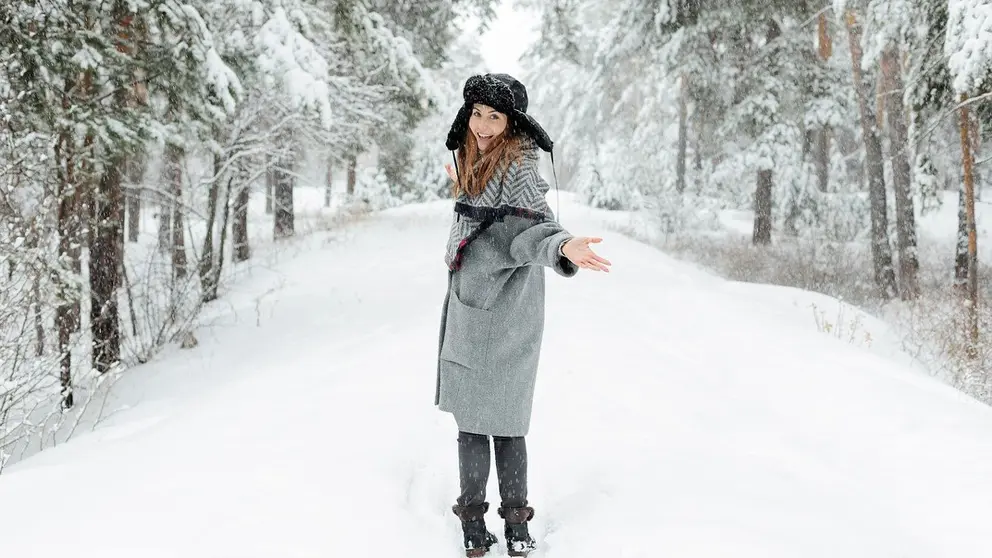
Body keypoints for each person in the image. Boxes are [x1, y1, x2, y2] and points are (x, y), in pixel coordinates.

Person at [434, 73, 611, 557]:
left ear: (512, 123)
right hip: (472, 308)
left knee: (508, 423)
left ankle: (515, 524)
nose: (484, 125)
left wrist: (564, 246)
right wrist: (461, 185)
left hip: (509, 312)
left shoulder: (520, 167)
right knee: (471, 424)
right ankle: (473, 523)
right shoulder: (473, 159)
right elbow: (480, 215)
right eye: (477, 113)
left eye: (495, 116)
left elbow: (536, 229)